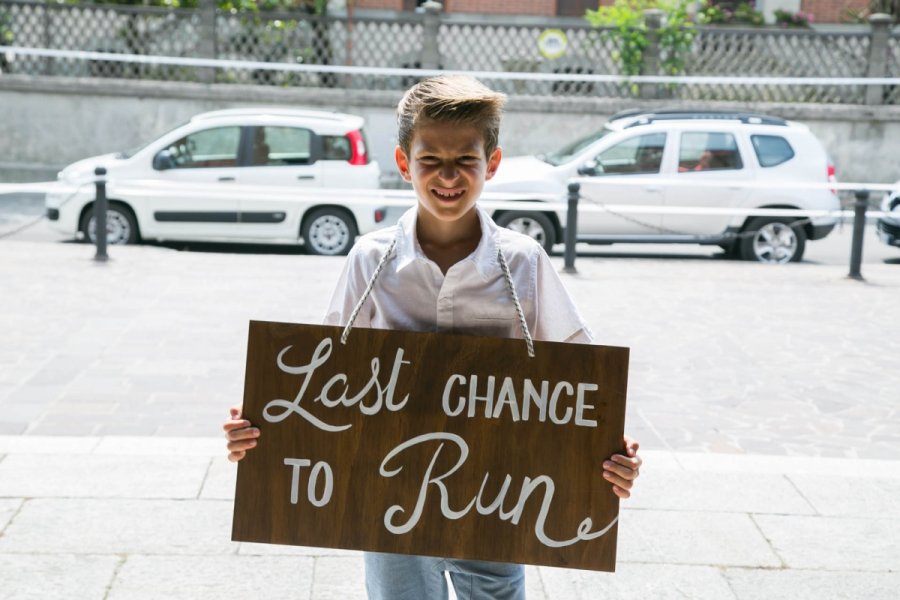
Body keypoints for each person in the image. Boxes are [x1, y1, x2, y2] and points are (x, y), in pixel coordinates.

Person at [224, 75, 642, 600]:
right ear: (404, 164)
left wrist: (609, 450)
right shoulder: (369, 261)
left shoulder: (524, 263)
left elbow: (580, 383)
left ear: (491, 164)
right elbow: (321, 375)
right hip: (388, 511)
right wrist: (263, 428)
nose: (448, 176)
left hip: (497, 508)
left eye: (465, 160)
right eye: (430, 161)